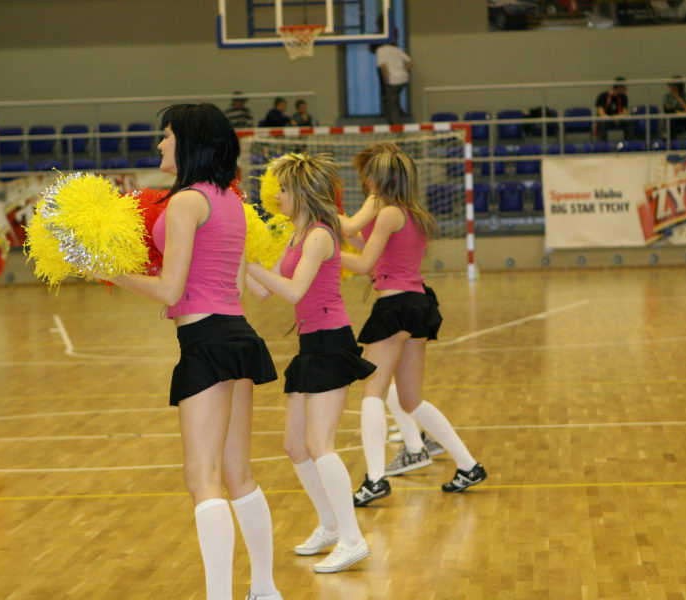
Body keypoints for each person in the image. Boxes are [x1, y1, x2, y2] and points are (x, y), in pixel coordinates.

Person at [101, 103, 282, 600]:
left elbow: (169, 288)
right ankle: (265, 589)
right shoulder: (229, 199)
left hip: (206, 342)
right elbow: (228, 284)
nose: (161, 144)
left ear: (191, 142)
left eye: (167, 135)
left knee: (202, 478)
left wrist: (105, 269)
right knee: (238, 474)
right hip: (237, 336)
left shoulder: (185, 202)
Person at [339, 143, 487, 507]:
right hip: (417, 304)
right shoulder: (412, 214)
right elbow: (366, 245)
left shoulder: (388, 213)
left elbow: (363, 264)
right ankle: (468, 465)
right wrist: (340, 228)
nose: (365, 182)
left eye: (369, 177)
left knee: (372, 394)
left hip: (395, 307)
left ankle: (375, 479)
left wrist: (319, 252)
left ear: (379, 179)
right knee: (411, 399)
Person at [246, 152, 373, 573]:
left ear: (301, 192)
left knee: (319, 445)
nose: (277, 196)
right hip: (311, 344)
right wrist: (231, 258)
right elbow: (263, 291)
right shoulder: (296, 234)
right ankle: (331, 525)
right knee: (295, 446)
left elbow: (294, 291)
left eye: (283, 189)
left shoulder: (319, 234)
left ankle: (353, 538)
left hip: (331, 343)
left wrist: (249, 263)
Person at [371, 42, 411, 125]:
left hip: (392, 80)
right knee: (394, 99)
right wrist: (403, 71)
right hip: (403, 79)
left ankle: (396, 126)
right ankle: (401, 115)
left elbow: (383, 67)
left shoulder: (380, 51)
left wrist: (386, 80)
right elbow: (410, 61)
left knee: (392, 105)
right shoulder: (396, 49)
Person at [595, 77, 634, 142]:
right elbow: (601, 112)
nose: (626, 89)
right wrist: (611, 118)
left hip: (618, 119)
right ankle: (603, 144)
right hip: (607, 119)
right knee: (603, 123)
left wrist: (618, 117)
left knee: (629, 122)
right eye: (625, 87)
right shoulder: (603, 96)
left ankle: (629, 143)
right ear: (619, 87)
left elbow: (625, 112)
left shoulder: (624, 97)